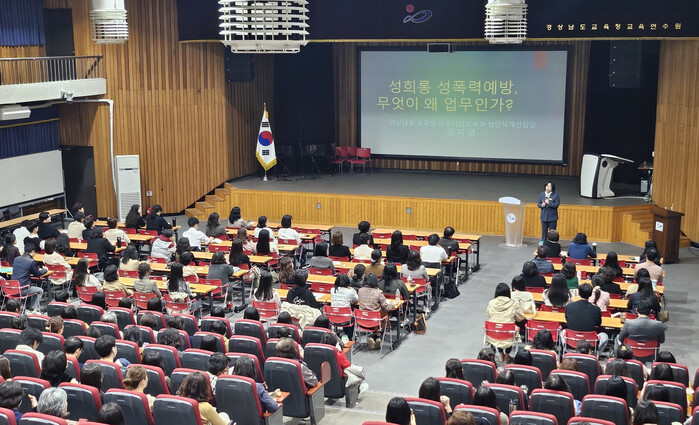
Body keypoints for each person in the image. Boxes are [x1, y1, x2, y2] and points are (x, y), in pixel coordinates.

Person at [485, 283, 524, 363]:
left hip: (493, 333)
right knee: (511, 329)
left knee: (499, 329)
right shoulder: (513, 303)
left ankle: (500, 354)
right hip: (508, 334)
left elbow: (488, 314)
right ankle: (507, 355)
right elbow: (521, 317)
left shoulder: (491, 303)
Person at [564, 283, 608, 354]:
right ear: (590, 294)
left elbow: (567, 320)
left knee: (562, 332)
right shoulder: (596, 309)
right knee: (605, 336)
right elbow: (598, 324)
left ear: (578, 293)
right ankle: (595, 354)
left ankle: (566, 352)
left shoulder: (569, 306)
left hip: (572, 342)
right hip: (590, 343)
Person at [358, 273, 396, 350]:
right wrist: (393, 304)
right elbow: (387, 307)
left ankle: (376, 337)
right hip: (376, 321)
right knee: (384, 313)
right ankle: (378, 336)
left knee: (376, 314)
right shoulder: (378, 292)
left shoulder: (360, 290)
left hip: (362, 320)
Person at [10, 243, 45, 313]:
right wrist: (45, 270)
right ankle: (32, 309)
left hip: (12, 288)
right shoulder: (32, 261)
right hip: (22, 289)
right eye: (35, 253)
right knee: (40, 290)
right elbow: (37, 274)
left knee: (29, 286)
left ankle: (27, 306)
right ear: (32, 251)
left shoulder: (16, 259)